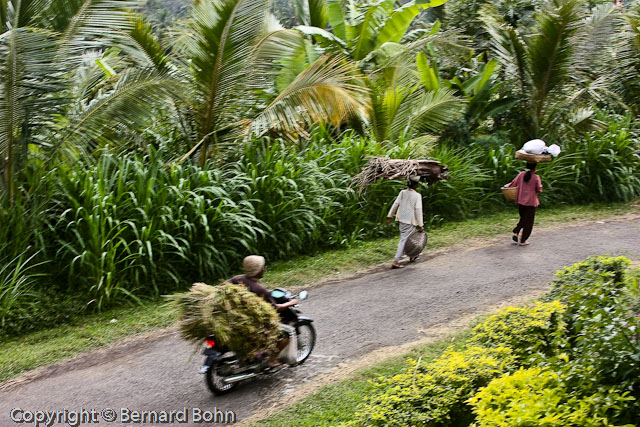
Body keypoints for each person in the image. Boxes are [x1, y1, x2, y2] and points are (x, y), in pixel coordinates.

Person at [228, 255, 298, 367]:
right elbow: (275, 308)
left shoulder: (237, 279)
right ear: (259, 271)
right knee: (287, 333)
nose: (264, 269)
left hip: (238, 319)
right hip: (254, 324)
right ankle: (272, 360)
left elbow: (221, 288)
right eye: (263, 267)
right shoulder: (260, 289)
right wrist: (290, 303)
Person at [386, 175, 424, 269]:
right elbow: (418, 210)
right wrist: (421, 225)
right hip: (410, 221)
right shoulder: (417, 195)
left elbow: (395, 204)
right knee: (404, 240)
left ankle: (412, 255)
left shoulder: (402, 192)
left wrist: (389, 216)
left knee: (409, 239)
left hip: (402, 219)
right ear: (416, 185)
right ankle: (396, 260)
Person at [505, 162, 542, 246]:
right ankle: (522, 240)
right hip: (531, 203)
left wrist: (505, 187)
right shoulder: (536, 177)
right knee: (528, 222)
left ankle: (516, 232)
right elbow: (539, 189)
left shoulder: (521, 174)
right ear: (535, 168)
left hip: (520, 202)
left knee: (523, 219)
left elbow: (512, 184)